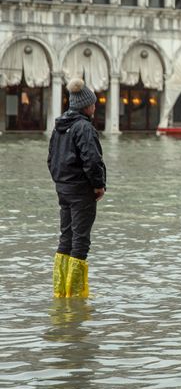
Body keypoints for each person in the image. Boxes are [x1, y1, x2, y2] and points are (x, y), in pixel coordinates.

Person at [48, 77, 107, 298]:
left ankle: (60, 290)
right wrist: (98, 186)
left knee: (66, 237)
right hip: (81, 191)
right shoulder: (84, 127)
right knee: (80, 240)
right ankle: (75, 295)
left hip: (63, 189)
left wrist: (59, 181)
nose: (95, 105)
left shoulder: (59, 127)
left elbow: (51, 159)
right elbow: (92, 160)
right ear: (85, 105)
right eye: (93, 102)